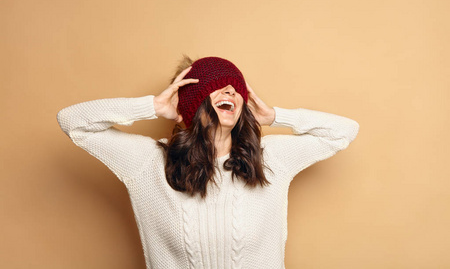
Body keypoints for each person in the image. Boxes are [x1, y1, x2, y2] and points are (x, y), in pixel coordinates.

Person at [57, 56, 359, 269]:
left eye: (236, 88)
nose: (231, 91)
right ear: (192, 102)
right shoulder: (148, 162)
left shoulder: (270, 158)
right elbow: (72, 122)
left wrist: (275, 116)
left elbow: (343, 132)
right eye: (218, 85)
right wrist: (152, 106)